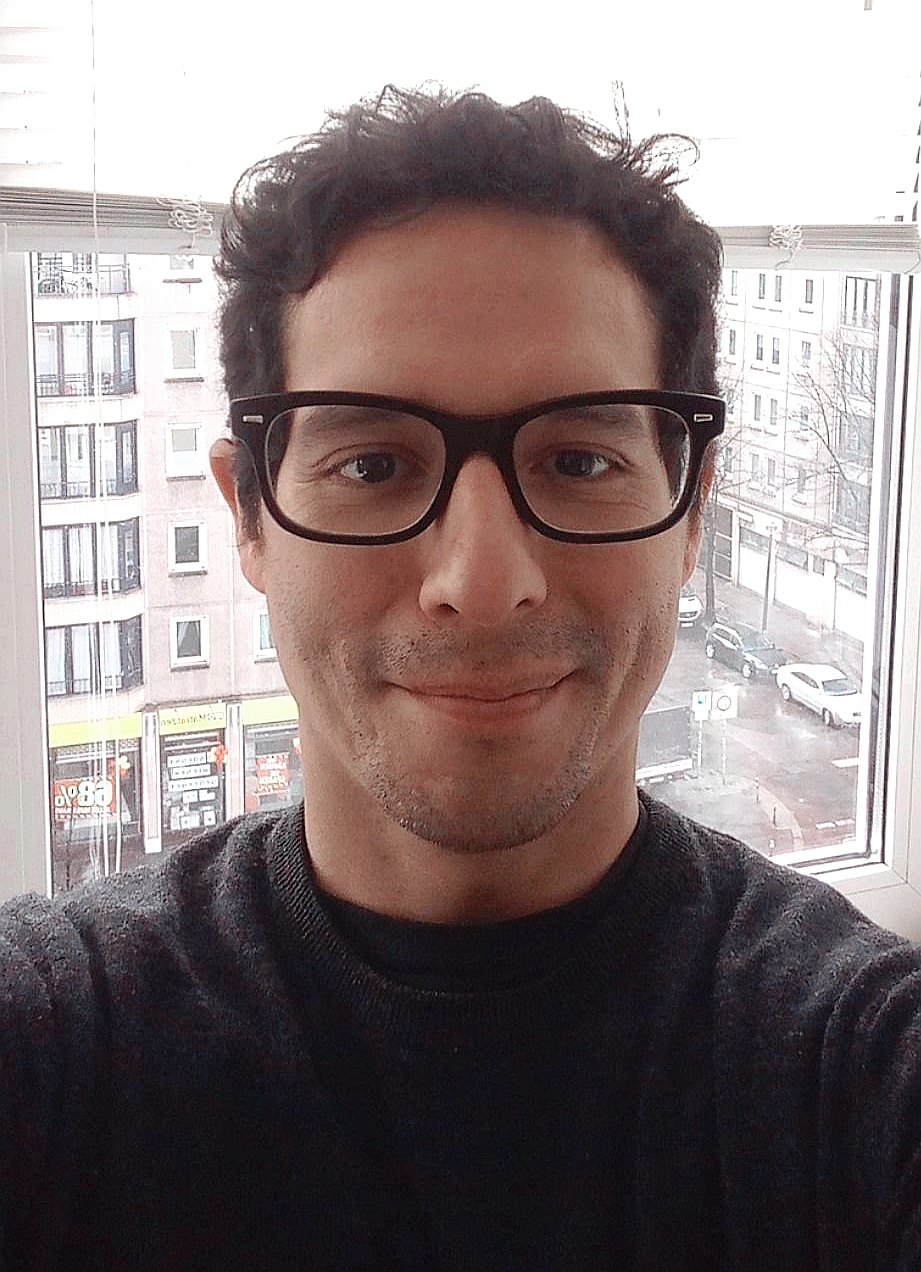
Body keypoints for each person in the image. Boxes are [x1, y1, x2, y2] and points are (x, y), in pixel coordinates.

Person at [1, 86, 920, 1271]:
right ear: (249, 516)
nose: (483, 584)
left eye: (580, 459)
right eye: (372, 464)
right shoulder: (58, 1040)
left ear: (692, 513)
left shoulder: (859, 1065)